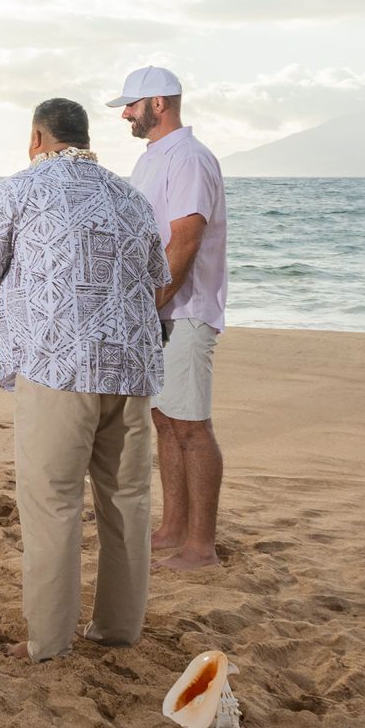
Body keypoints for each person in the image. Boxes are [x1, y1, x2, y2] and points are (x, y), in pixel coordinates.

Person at [0, 99, 169, 663]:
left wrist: (22, 334)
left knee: (52, 504)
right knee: (127, 501)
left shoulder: (18, 190)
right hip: (131, 369)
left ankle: (49, 642)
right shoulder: (130, 196)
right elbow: (156, 287)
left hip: (58, 369)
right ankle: (119, 631)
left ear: (37, 137)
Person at [108, 66, 228, 571]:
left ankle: (201, 545)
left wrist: (153, 304)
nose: (126, 116)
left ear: (159, 103)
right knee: (165, 421)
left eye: (131, 106)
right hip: (155, 310)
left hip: (184, 308)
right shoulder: (151, 160)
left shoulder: (190, 159)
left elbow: (184, 241)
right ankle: (173, 526)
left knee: (191, 425)